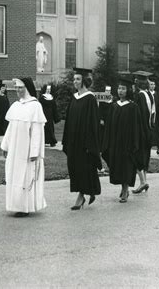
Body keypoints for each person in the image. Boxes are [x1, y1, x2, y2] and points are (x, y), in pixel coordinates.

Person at [0, 78, 47, 217]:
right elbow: (10, 128)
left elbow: (37, 131)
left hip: (26, 151)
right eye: (16, 88)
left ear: (27, 88)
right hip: (15, 149)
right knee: (14, 175)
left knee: (25, 177)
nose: (18, 90)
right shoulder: (15, 106)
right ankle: (15, 204)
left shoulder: (35, 106)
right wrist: (5, 146)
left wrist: (34, 151)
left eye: (21, 88)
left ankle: (25, 207)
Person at [62, 67, 101, 210]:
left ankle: (81, 195)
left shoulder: (90, 98)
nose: (75, 81)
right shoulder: (74, 97)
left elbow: (93, 123)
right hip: (73, 140)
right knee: (75, 167)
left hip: (84, 142)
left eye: (78, 79)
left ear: (84, 80)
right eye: (74, 79)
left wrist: (89, 143)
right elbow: (69, 120)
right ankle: (87, 191)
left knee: (85, 168)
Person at [101, 77, 144, 203]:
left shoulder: (133, 107)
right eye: (119, 88)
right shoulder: (114, 106)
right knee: (118, 166)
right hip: (115, 142)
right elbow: (109, 126)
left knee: (126, 166)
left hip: (127, 143)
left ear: (128, 90)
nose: (120, 91)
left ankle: (125, 190)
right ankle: (122, 187)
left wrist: (134, 143)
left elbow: (137, 128)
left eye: (123, 89)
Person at [131, 71, 154, 194]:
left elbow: (137, 115)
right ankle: (143, 181)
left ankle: (143, 182)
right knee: (145, 155)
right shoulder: (149, 94)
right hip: (149, 130)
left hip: (140, 131)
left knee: (137, 156)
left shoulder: (139, 96)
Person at [148, 77, 159, 156]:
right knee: (149, 133)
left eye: (154, 84)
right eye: (151, 84)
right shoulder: (146, 94)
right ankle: (148, 150)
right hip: (149, 116)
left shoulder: (156, 94)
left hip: (156, 117)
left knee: (158, 133)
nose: (153, 86)